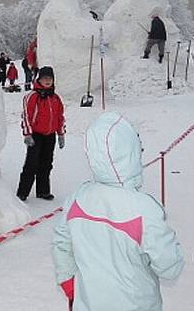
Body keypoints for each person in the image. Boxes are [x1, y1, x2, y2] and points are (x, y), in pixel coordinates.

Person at [52, 112, 184, 311]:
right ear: (131, 153)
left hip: (88, 304)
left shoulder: (78, 198)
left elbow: (61, 242)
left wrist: (68, 282)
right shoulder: (144, 209)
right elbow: (170, 267)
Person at [17, 66, 66, 201]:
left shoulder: (55, 98)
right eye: (45, 78)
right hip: (35, 136)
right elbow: (26, 115)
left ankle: (43, 191)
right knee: (31, 163)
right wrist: (27, 134)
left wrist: (61, 134)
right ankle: (23, 192)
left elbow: (59, 116)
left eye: (50, 78)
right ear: (39, 79)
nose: (48, 81)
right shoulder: (32, 96)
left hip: (50, 135)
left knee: (46, 163)